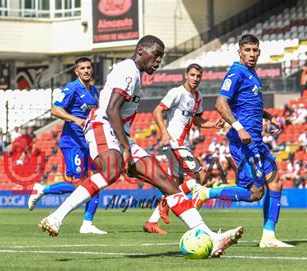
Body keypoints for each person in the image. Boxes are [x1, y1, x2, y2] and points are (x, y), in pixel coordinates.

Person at [38, 35, 243, 257]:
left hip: (119, 132)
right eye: (156, 56)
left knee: (166, 182)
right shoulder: (128, 70)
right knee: (112, 170)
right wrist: (126, 148)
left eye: (161, 58)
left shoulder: (134, 73)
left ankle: (209, 235)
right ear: (141, 51)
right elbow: (111, 110)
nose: (158, 62)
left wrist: (126, 144)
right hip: (102, 125)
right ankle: (55, 217)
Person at [194, 34, 293, 248]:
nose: (251, 54)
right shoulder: (236, 72)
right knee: (255, 193)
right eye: (247, 50)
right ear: (239, 51)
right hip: (245, 143)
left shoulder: (252, 74)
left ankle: (268, 237)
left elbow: (248, 105)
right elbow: (220, 103)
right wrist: (239, 128)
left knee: (276, 183)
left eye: (255, 50)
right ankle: (206, 192)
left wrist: (268, 116)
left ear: (259, 52)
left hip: (256, 141)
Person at [143, 63, 225, 234]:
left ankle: (152, 221)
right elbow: (157, 111)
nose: (195, 79)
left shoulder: (198, 97)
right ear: (186, 75)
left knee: (174, 186)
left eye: (198, 76)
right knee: (200, 175)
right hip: (174, 143)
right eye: (193, 75)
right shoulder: (176, 93)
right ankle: (183, 213)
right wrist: (164, 133)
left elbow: (197, 121)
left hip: (183, 145)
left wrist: (213, 124)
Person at [28, 57, 106, 234]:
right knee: (80, 185)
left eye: (88, 67)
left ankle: (87, 224)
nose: (86, 70)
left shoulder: (94, 91)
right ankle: (43, 189)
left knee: (97, 180)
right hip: (72, 143)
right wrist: (74, 119)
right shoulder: (72, 88)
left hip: (88, 142)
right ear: (76, 71)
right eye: (82, 68)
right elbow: (55, 109)